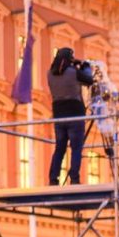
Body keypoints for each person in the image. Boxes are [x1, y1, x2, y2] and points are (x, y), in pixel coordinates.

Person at [47, 48, 94, 185]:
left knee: (59, 148)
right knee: (76, 148)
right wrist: (85, 67)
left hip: (59, 115)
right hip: (75, 114)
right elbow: (89, 80)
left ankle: (53, 178)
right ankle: (74, 178)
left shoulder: (49, 73)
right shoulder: (74, 72)